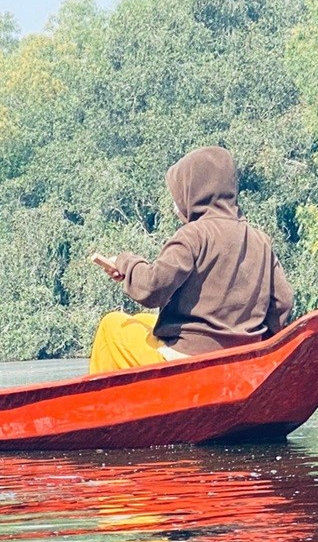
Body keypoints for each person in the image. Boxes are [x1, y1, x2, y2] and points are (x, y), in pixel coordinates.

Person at [87, 146, 293, 374]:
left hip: (190, 360)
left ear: (195, 192)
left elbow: (152, 288)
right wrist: (260, 343)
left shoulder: (194, 234)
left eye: (178, 195)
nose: (175, 205)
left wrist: (125, 262)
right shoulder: (261, 240)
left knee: (112, 325)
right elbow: (283, 303)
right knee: (144, 320)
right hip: (242, 356)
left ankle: (107, 397)